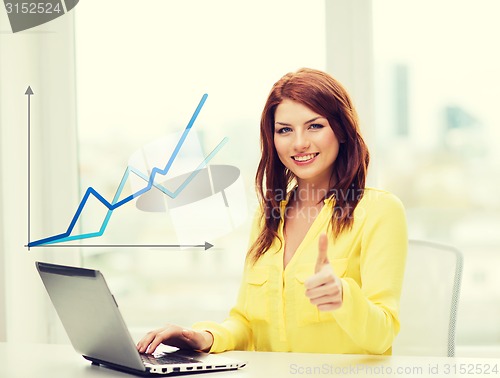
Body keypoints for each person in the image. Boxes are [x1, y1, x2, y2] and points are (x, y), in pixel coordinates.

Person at [137, 68, 408, 356]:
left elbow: (382, 335)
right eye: (285, 130)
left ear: (341, 131)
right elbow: (247, 324)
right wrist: (201, 337)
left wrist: (342, 297)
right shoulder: (269, 216)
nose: (299, 142)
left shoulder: (380, 211)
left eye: (315, 126)